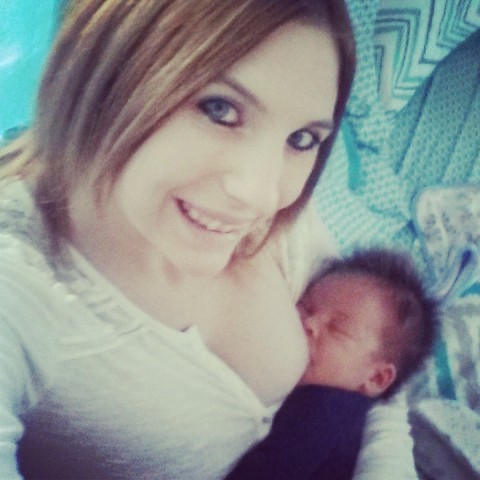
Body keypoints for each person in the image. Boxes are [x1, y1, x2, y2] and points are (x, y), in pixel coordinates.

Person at [0, 1, 418, 479]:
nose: (263, 195)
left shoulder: (278, 223)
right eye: (220, 109)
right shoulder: (19, 281)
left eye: (301, 139)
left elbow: (381, 345)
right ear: (109, 66)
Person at [226, 248, 437, 480]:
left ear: (376, 378)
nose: (309, 323)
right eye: (306, 307)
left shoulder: (324, 411)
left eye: (338, 329)